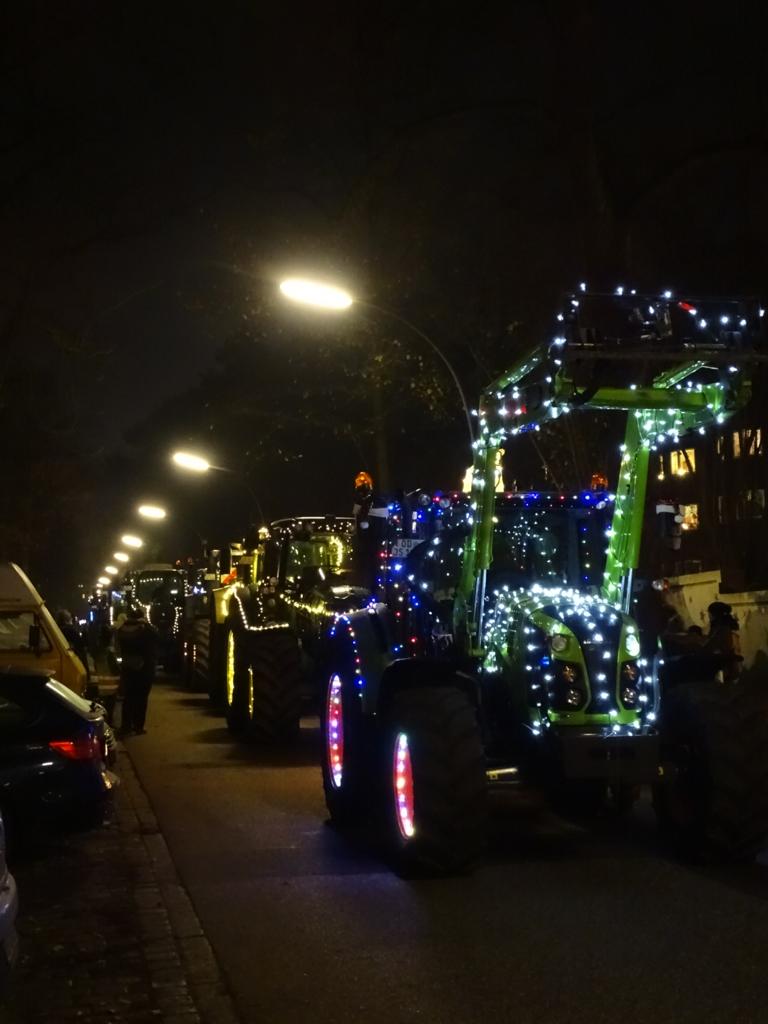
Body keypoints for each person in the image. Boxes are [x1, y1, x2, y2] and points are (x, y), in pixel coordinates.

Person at [117, 608, 158, 735]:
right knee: (141, 698)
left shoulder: (122, 630)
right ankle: (138, 726)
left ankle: (126, 726)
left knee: (128, 697)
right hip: (144, 668)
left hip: (127, 667)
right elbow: (156, 638)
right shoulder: (146, 629)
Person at [704, 601, 742, 683]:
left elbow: (713, 645)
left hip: (724, 667)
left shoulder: (721, 629)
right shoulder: (724, 627)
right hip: (727, 666)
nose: (708, 616)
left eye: (709, 613)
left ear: (713, 614)